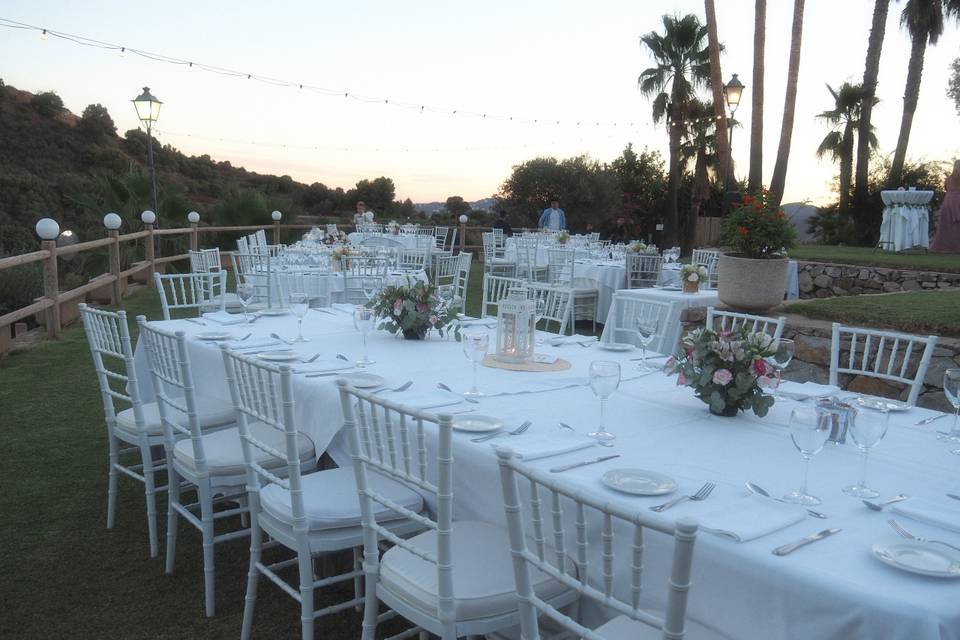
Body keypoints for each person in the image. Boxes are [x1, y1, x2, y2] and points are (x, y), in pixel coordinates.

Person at [931, 160, 960, 253]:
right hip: (957, 200)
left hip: (948, 201)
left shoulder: (948, 178)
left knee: (946, 225)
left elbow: (946, 188)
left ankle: (944, 247)